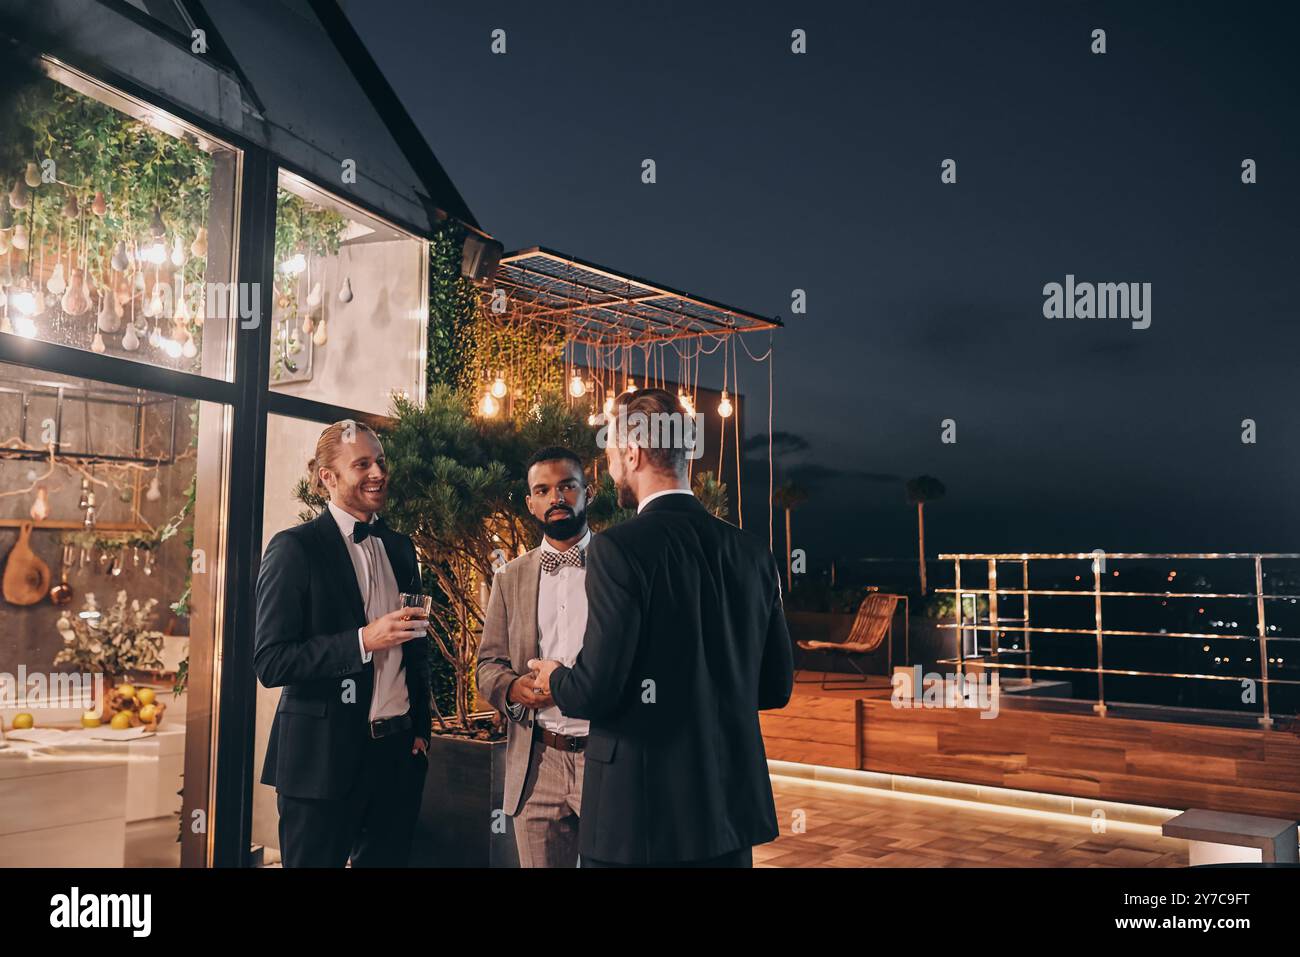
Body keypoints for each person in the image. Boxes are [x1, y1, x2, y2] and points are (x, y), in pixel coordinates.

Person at [530, 388, 795, 867]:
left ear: (631, 453)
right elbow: (775, 687)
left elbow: (596, 690)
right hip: (726, 817)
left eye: (610, 453)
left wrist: (555, 677)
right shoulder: (753, 553)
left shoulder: (618, 550)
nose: (609, 466)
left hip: (639, 822)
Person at [255, 419, 432, 867]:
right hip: (321, 763)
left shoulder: (400, 547)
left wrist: (419, 732)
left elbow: (415, 651)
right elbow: (272, 662)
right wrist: (362, 640)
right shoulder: (294, 548)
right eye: (363, 464)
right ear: (327, 478)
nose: (378, 472)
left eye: (381, 462)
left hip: (397, 758)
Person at [477, 446, 595, 867]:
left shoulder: (618, 566)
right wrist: (512, 687)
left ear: (588, 492)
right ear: (530, 504)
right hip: (537, 760)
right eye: (542, 490)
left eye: (566, 486)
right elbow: (487, 664)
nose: (556, 498)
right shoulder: (509, 576)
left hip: (605, 757)